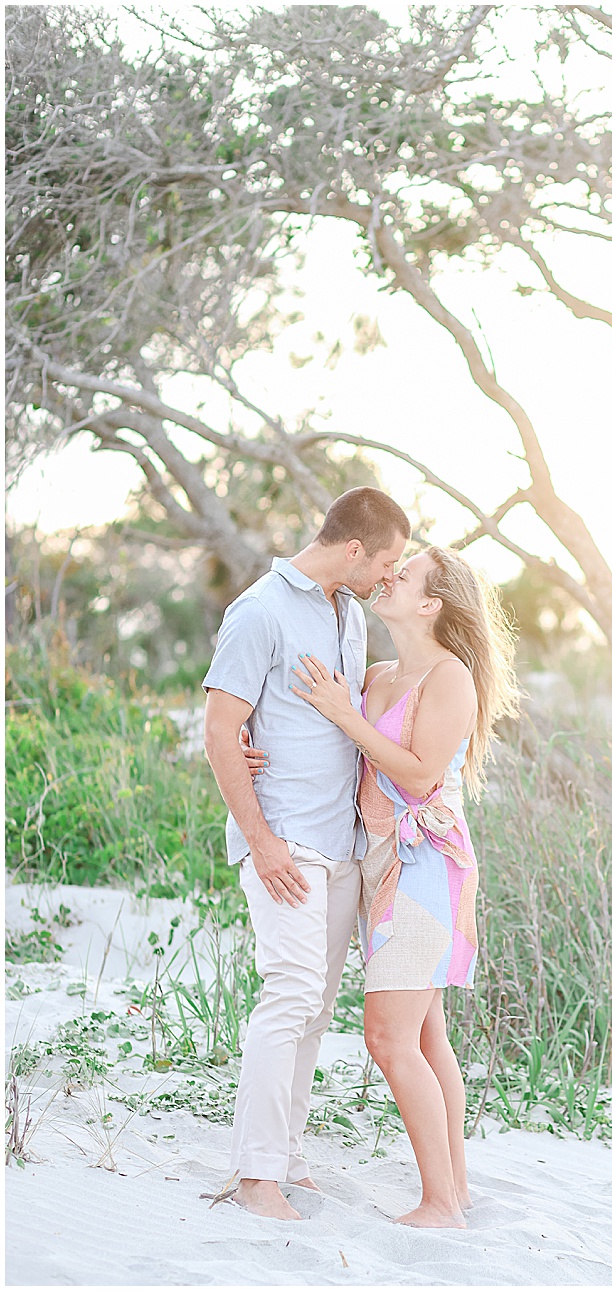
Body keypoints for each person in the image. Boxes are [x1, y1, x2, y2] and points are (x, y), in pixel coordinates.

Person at [246, 546, 520, 1228]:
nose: (390, 575)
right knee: (427, 1036)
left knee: (388, 1037)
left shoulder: (449, 676)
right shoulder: (379, 672)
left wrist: (347, 714)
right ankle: (453, 1190)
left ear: (431, 602)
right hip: (380, 866)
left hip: (425, 867)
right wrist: (252, 741)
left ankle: (437, 1204)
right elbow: (346, 753)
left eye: (407, 572)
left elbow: (422, 775)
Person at [202, 487, 410, 1221]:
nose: (391, 577)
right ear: (354, 549)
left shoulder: (349, 613)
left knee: (315, 1010)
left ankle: (287, 1156)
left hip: (342, 843)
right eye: (386, 562)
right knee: (288, 994)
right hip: (283, 840)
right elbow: (220, 729)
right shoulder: (259, 609)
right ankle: (255, 1176)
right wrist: (260, 843)